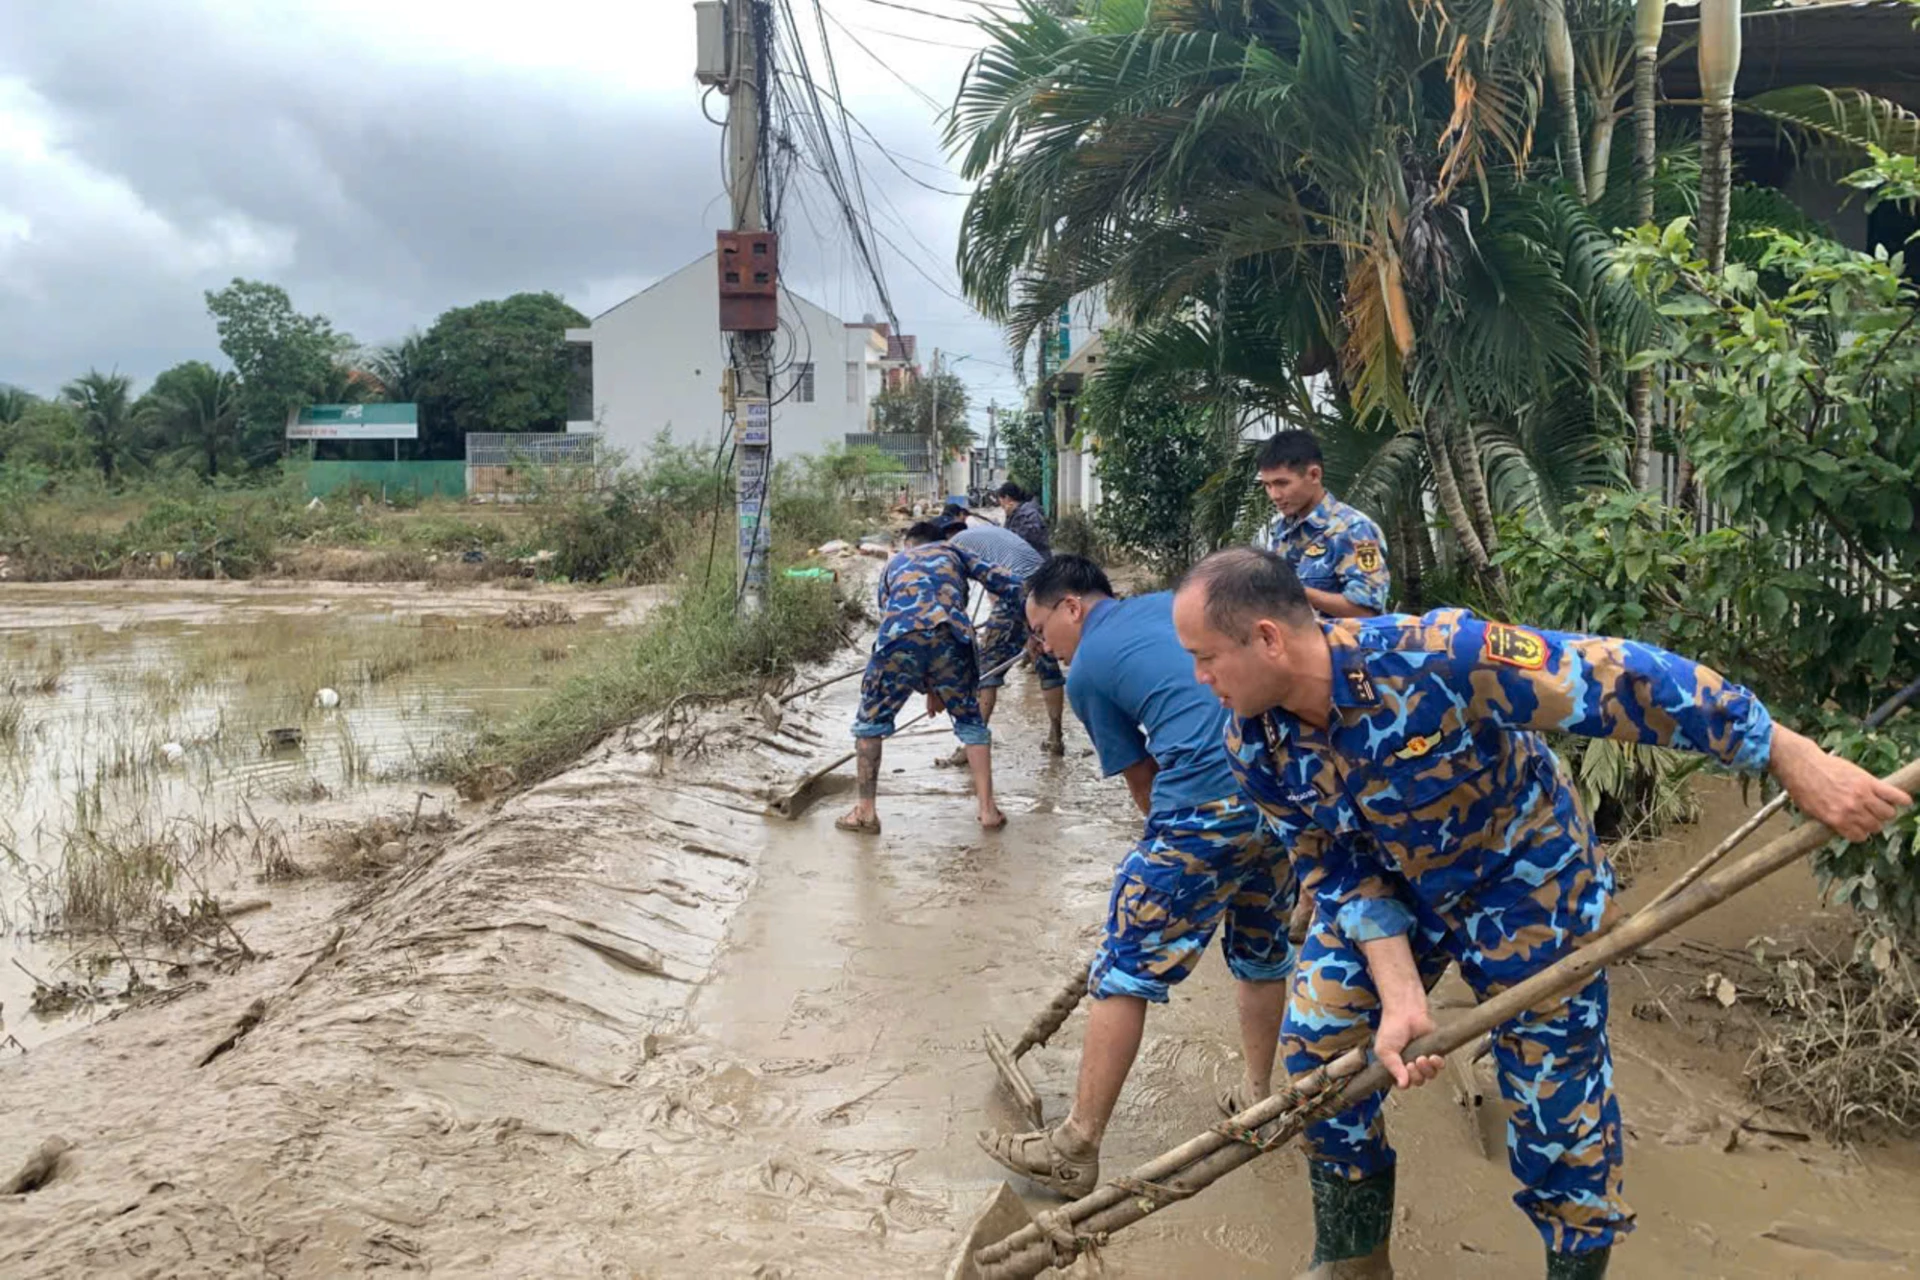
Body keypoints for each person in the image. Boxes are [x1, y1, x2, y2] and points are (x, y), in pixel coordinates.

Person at [1170, 547, 1910, 1280]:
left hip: (1525, 882)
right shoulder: (1255, 742)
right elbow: (1333, 867)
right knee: (1318, 1060)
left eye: (1207, 658)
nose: (1200, 680)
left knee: (1560, 1115)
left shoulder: (1437, 655)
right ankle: (1355, 1261)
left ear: (1267, 637)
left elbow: (1615, 676)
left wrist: (1780, 749)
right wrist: (1400, 995)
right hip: (1398, 897)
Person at [977, 554, 1297, 1197]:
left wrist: (1162, 869)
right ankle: (1259, 1098)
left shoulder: (1089, 667)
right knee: (1262, 953)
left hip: (1202, 810)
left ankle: (1075, 1146)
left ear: (1074, 607)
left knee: (1124, 968)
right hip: (1283, 799)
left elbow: (1144, 781)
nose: (1042, 647)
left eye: (1041, 630)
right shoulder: (1165, 606)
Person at [839, 520, 1028, 836]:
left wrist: (926, 683)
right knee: (971, 722)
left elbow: (892, 615)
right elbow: (1009, 584)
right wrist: (1024, 627)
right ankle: (988, 810)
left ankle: (865, 812)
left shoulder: (894, 563)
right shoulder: (955, 552)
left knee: (870, 725)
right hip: (953, 637)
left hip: (897, 638)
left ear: (909, 543)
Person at [940, 516, 1068, 758]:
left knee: (987, 667)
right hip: (1047, 587)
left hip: (1018, 590)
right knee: (1046, 660)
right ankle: (1055, 737)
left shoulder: (952, 549)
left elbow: (958, 596)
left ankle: (971, 747)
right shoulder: (986, 534)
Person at [1254, 430, 1390, 619]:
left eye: (1282, 483)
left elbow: (1366, 612)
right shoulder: (1281, 529)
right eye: (1267, 485)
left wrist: (1294, 592)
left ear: (1314, 475)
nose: (1274, 495)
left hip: (1344, 647)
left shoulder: (1353, 529)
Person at [993, 481, 1052, 558]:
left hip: (1036, 560)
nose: (1000, 505)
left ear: (1007, 498)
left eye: (1000, 500)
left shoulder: (1028, 514)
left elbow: (1021, 541)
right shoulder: (1015, 513)